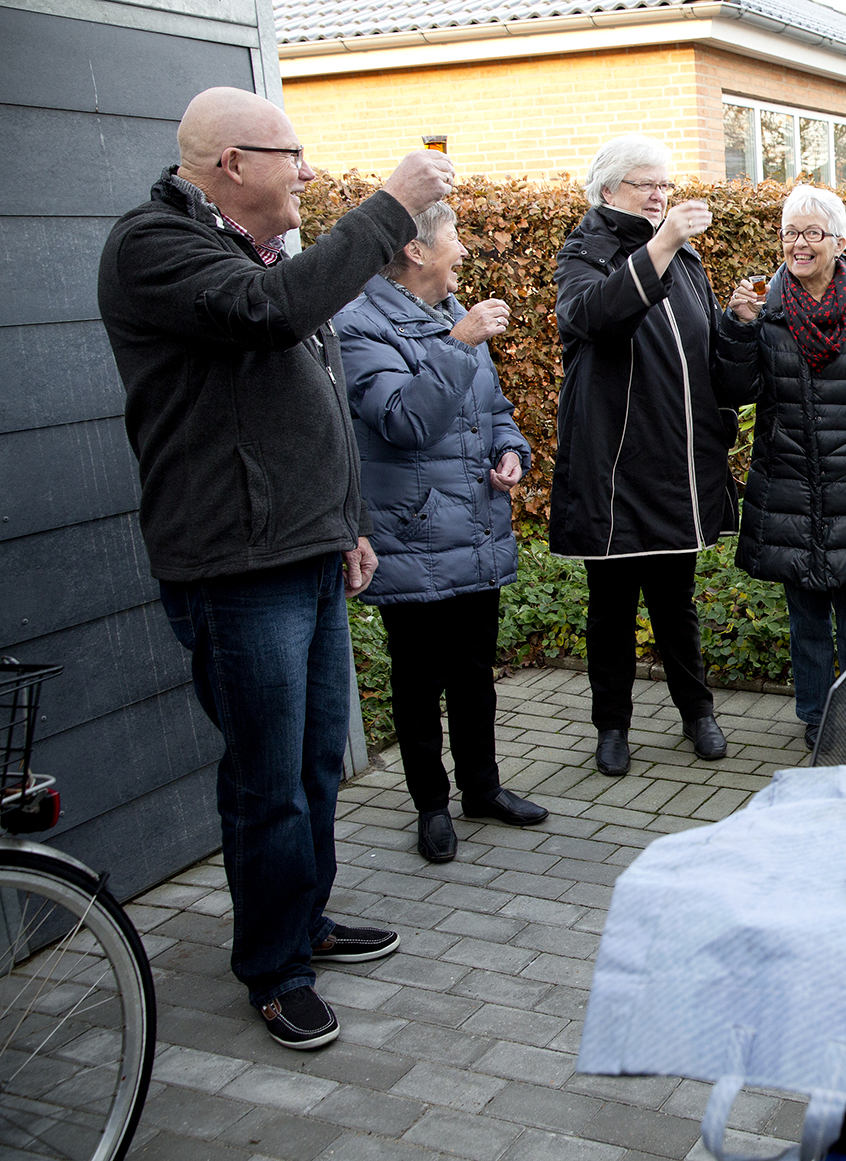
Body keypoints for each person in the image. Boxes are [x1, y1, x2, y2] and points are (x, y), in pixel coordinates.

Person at [98, 86, 454, 1049]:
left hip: (303, 550)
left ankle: (303, 919)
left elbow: (313, 396)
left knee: (313, 768)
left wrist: (347, 521)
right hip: (232, 565)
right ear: (229, 163)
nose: (305, 170)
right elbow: (265, 316)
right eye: (288, 153)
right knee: (269, 779)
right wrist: (387, 208)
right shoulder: (154, 248)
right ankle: (273, 965)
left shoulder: (260, 251)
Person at [334, 200, 549, 865]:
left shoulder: (448, 312)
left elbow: (495, 410)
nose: (463, 249)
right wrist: (459, 344)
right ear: (416, 252)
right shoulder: (359, 325)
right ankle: (431, 805)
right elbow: (403, 420)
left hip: (477, 530)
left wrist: (513, 451)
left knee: (474, 675)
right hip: (413, 537)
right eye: (454, 238)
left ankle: (482, 790)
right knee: (418, 680)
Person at [549, 134, 735, 775]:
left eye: (665, 184)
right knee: (612, 612)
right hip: (614, 471)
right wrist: (660, 244)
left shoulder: (686, 262)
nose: (661, 195)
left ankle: (698, 713)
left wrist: (733, 325)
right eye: (645, 185)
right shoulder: (585, 252)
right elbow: (595, 318)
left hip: (674, 466)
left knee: (676, 604)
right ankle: (612, 728)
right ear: (608, 192)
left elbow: (704, 357)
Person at [714, 186, 846, 751]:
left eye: (811, 233)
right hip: (788, 486)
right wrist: (736, 329)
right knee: (804, 619)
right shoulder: (762, 307)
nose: (799, 244)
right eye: (790, 234)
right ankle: (815, 715)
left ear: (840, 241)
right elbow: (733, 389)